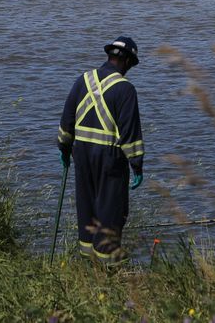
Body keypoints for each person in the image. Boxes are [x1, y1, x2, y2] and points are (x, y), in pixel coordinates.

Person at [57, 36, 144, 261]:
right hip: (109, 159)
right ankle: (109, 269)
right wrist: (137, 165)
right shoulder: (125, 89)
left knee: (87, 209)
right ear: (125, 61)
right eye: (131, 65)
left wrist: (64, 149)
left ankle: (88, 263)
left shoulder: (83, 80)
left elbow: (67, 121)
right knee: (111, 212)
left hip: (82, 156)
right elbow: (130, 135)